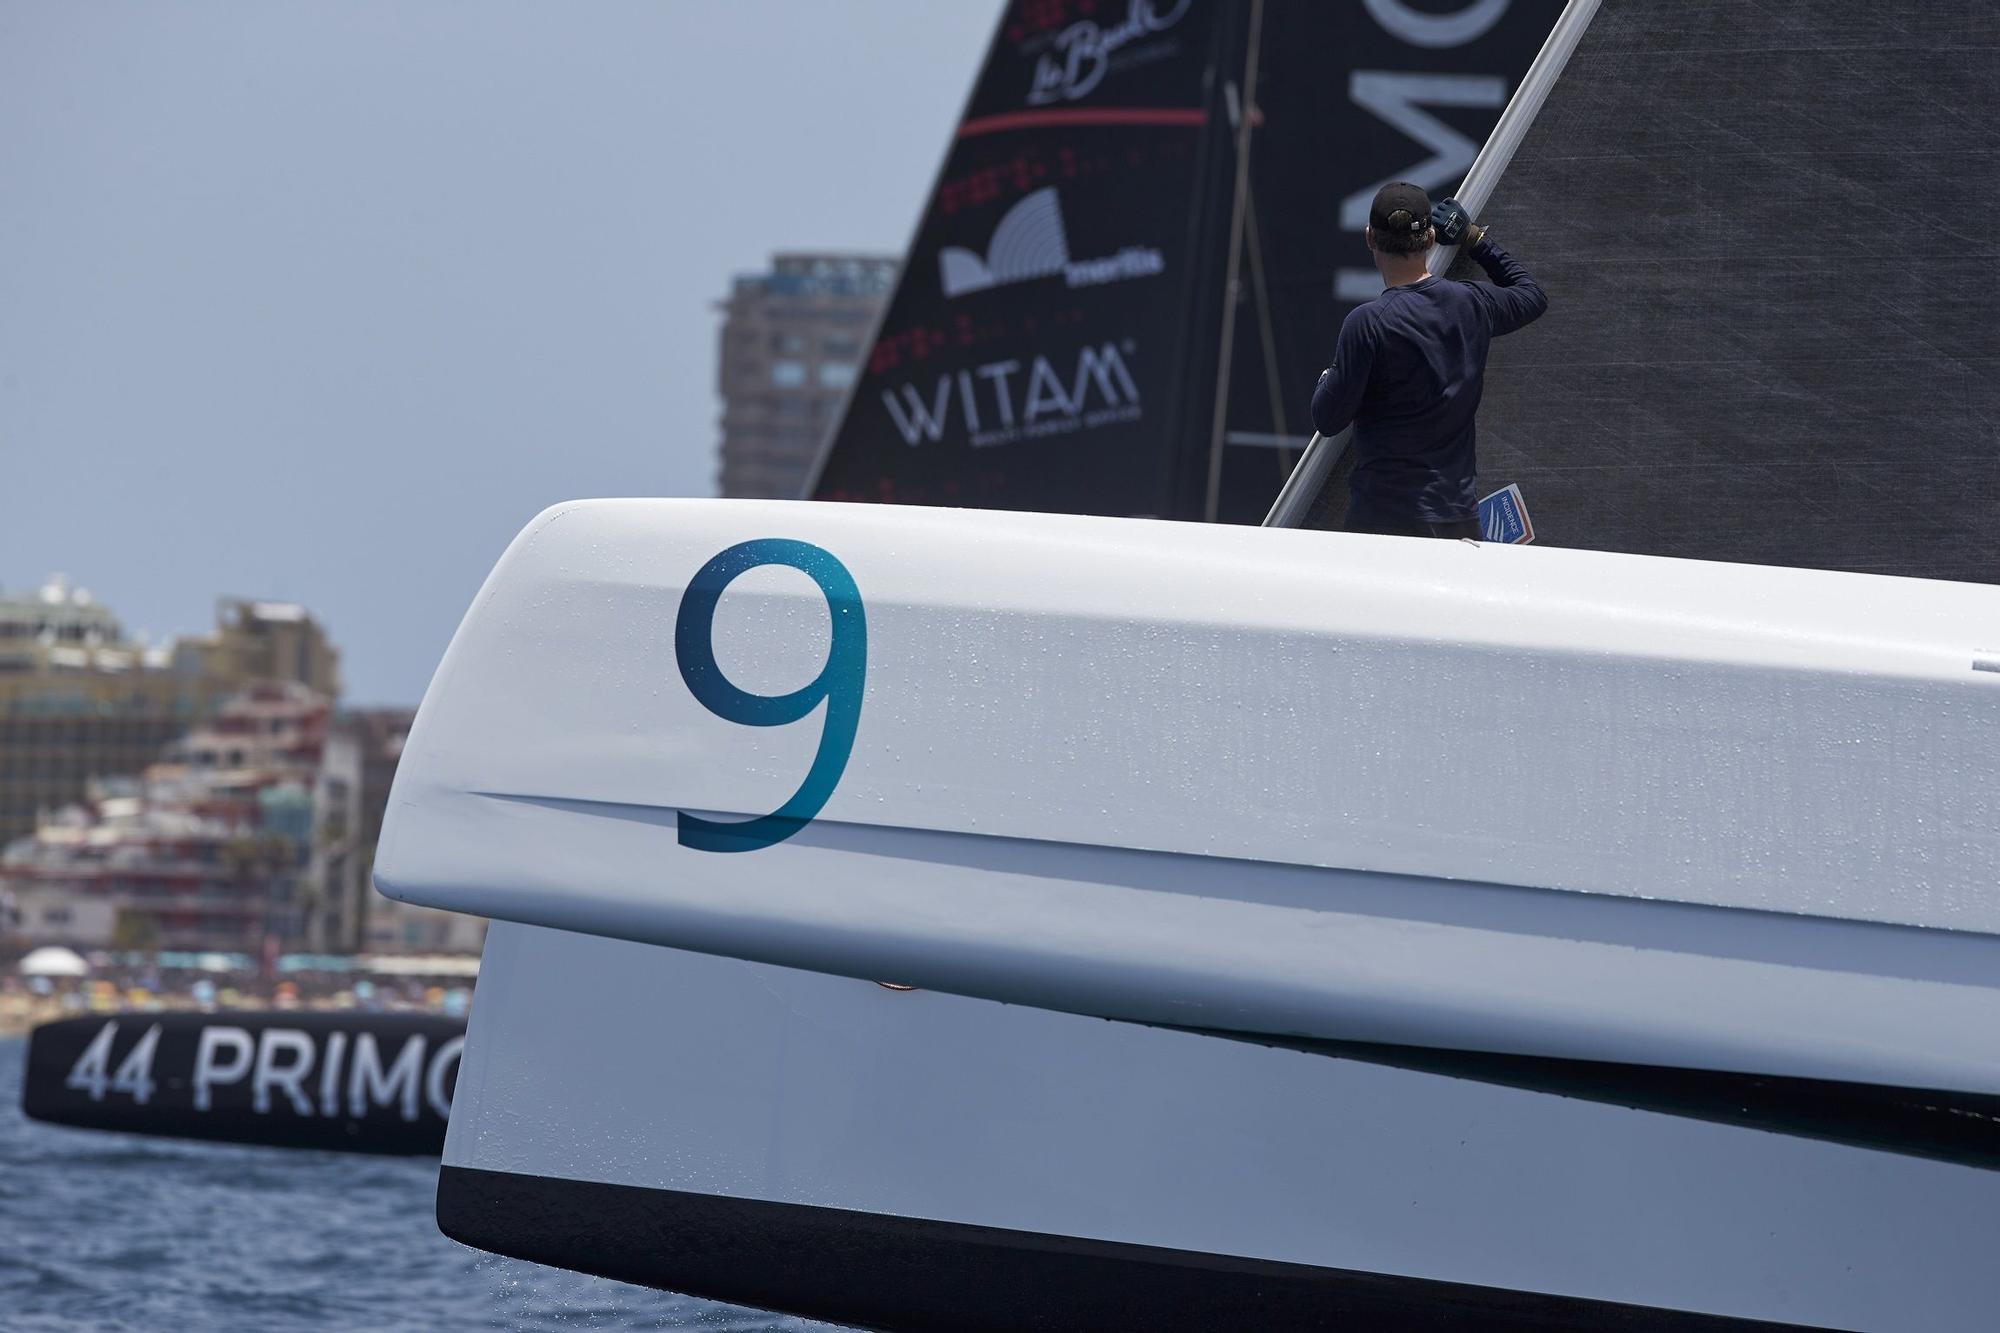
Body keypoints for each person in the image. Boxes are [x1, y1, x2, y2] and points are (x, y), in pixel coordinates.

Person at [1310, 181, 1546, 538]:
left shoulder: (1366, 324)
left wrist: (1329, 376)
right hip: (1457, 521)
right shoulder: (1472, 303)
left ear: (1370, 238)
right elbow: (1531, 295)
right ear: (1432, 238)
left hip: (1383, 522)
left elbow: (1328, 418)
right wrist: (1473, 238)